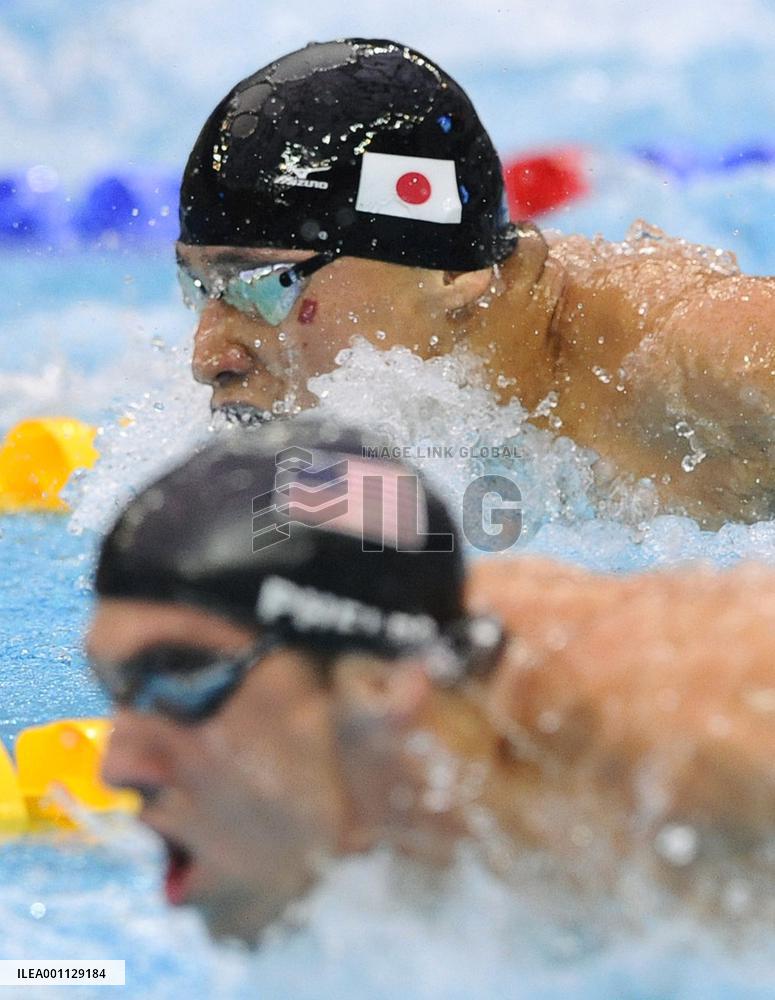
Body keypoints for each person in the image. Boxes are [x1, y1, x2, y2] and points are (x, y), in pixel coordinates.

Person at [87, 418, 774, 943]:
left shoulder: (681, 758)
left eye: (181, 678)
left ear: (379, 684)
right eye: (113, 686)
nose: (118, 768)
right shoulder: (383, 734)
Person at [177, 38, 775, 531]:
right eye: (199, 288)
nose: (207, 359)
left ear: (452, 272)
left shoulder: (684, 356)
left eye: (258, 287)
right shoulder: (377, 410)